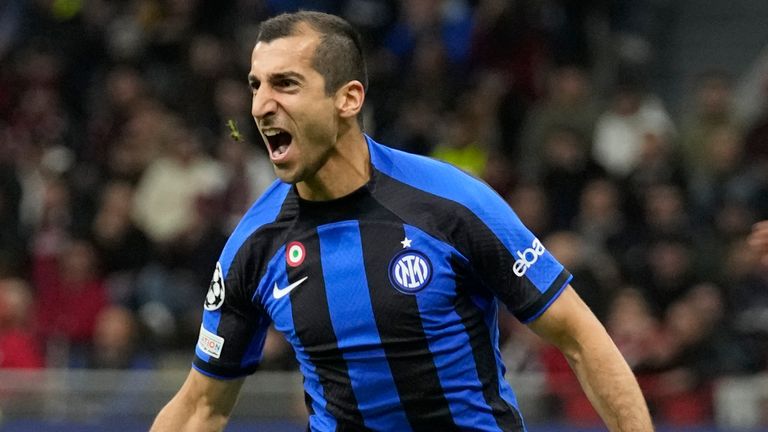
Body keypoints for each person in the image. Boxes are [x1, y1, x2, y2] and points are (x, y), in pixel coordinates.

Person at [151, 11, 653, 432]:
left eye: (286, 84)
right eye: (256, 86)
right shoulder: (254, 246)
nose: (261, 105)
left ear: (347, 99)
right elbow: (202, 404)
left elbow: (581, 339)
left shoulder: (451, 204)